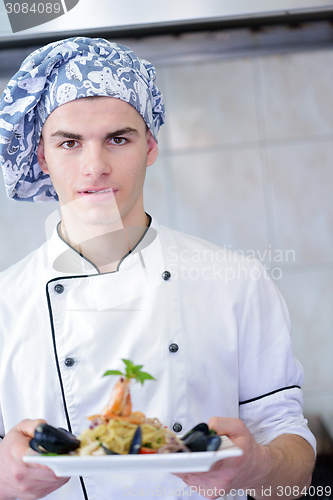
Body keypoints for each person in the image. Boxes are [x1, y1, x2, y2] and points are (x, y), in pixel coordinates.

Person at [0, 37, 315, 500]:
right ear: (43, 156)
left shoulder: (235, 282)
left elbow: (293, 473)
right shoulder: (5, 304)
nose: (95, 167)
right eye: (69, 142)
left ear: (149, 145)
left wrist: (259, 468)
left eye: (118, 139)